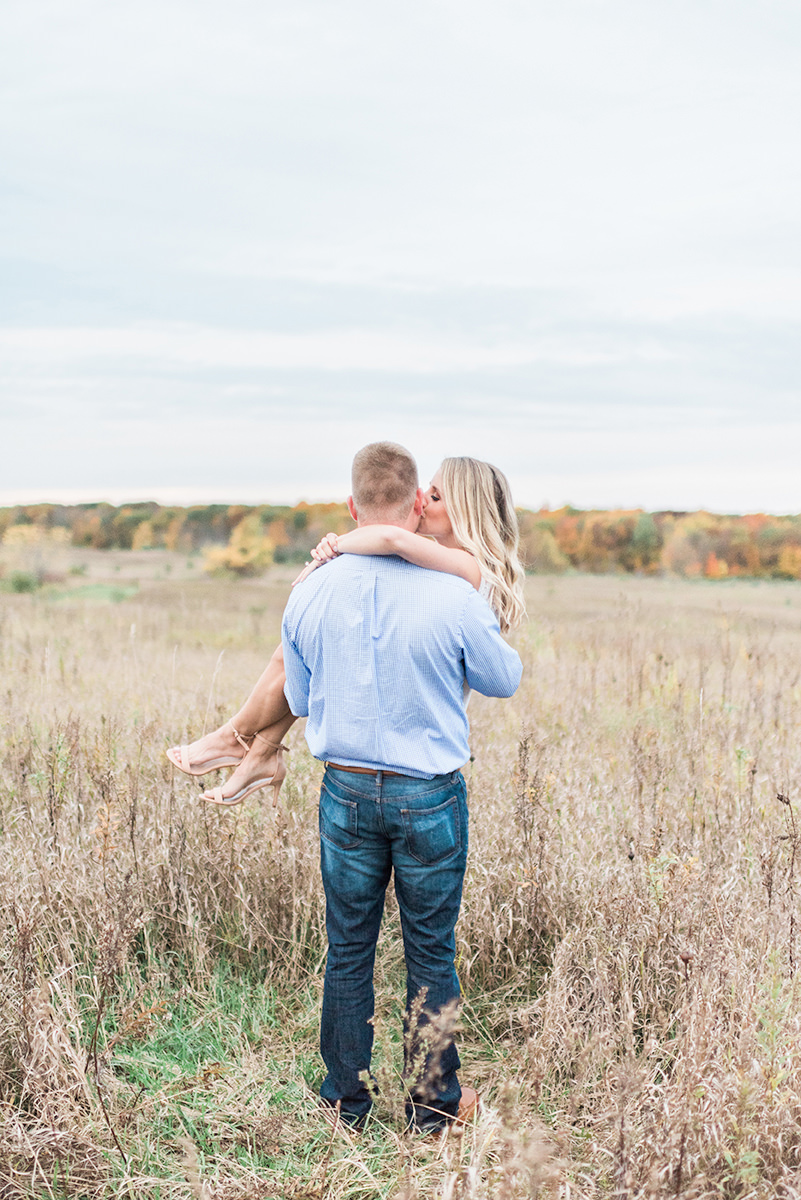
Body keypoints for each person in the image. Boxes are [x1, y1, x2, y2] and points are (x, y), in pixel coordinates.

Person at [280, 442, 522, 1133]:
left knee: (348, 946)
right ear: (417, 505)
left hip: (346, 792)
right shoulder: (455, 594)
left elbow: (299, 697)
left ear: (351, 510)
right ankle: (431, 1110)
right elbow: (502, 680)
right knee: (431, 951)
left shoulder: (308, 591)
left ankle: (342, 1104)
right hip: (428, 797)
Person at [166, 454, 526, 805]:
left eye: (434, 496)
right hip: (408, 708)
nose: (422, 501)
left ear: (465, 510)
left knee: (301, 654)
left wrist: (336, 545)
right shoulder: (450, 563)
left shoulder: (468, 567)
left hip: (413, 741)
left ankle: (236, 739)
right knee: (308, 650)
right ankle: (256, 752)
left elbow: (393, 540)